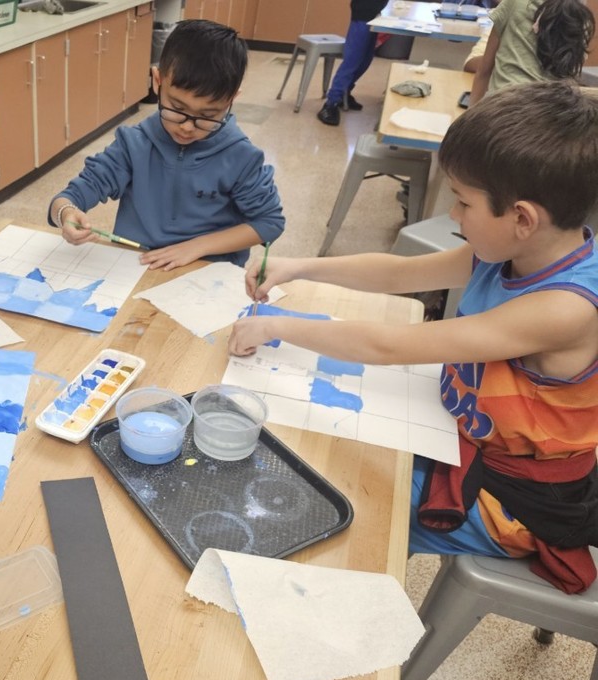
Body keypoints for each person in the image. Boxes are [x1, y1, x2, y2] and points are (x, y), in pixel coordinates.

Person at [230, 81, 598, 593]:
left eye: (464, 203)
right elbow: (400, 275)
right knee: (327, 442)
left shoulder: (566, 308)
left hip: (513, 499)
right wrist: (299, 267)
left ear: (521, 218)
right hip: (465, 433)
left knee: (348, 500)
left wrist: (274, 326)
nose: (453, 215)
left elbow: (389, 347)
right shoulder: (520, 249)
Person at [48, 19, 284, 271]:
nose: (187, 127)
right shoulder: (133, 144)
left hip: (205, 274)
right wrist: (66, 214)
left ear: (231, 100)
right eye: (177, 108)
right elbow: (69, 198)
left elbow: (270, 223)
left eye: (208, 115)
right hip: (135, 268)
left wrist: (198, 246)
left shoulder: (241, 157)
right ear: (157, 81)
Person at [469, 0, 594, 104]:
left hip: (502, 110)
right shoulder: (581, 19)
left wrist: (469, 120)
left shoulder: (516, 4)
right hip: (552, 116)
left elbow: (484, 71)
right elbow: (571, 77)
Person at [316, 0, 388, 127]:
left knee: (366, 60)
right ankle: (330, 104)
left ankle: (344, 92)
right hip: (363, 12)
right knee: (352, 60)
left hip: (375, 12)